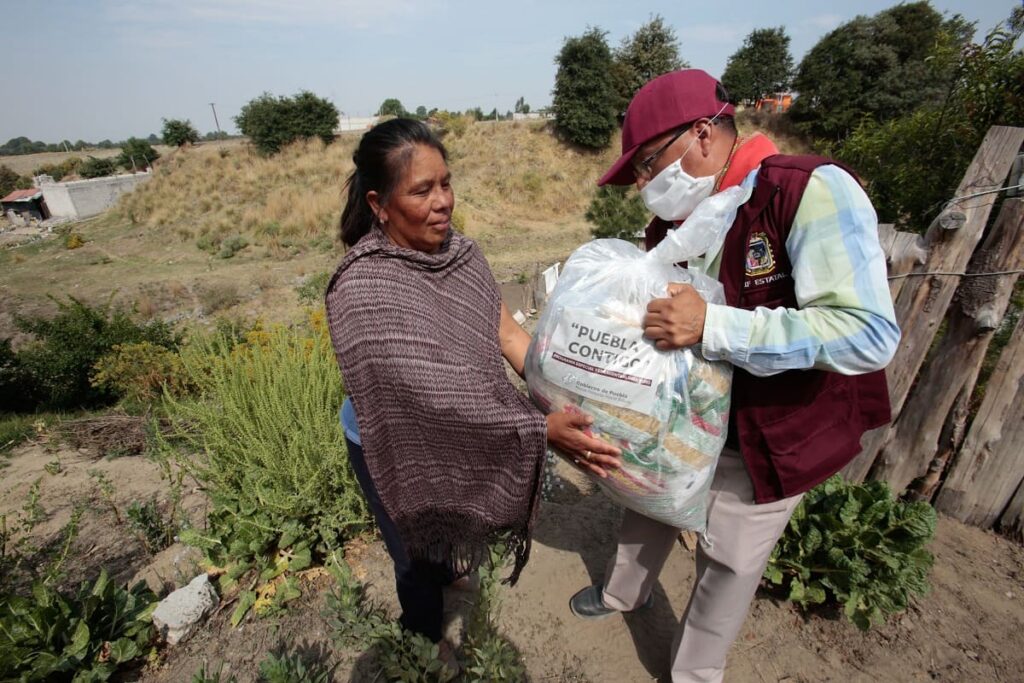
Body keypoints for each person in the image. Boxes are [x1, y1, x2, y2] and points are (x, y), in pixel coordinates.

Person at [568, 69, 900, 682]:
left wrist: (713, 327)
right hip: (684, 418)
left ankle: (694, 672)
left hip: (769, 431)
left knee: (728, 560)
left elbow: (867, 333)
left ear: (700, 135)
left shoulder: (808, 190)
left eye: (646, 164)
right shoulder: (680, 223)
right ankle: (623, 594)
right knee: (648, 503)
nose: (643, 184)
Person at [324, 118, 619, 669]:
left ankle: (452, 567)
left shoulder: (461, 255)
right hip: (390, 443)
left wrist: (562, 395)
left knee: (452, 522)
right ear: (379, 202)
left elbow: (507, 335)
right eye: (421, 190)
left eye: (446, 183)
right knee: (414, 551)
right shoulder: (362, 286)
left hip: (465, 426)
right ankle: (425, 635)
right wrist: (537, 429)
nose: (443, 203)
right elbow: (430, 399)